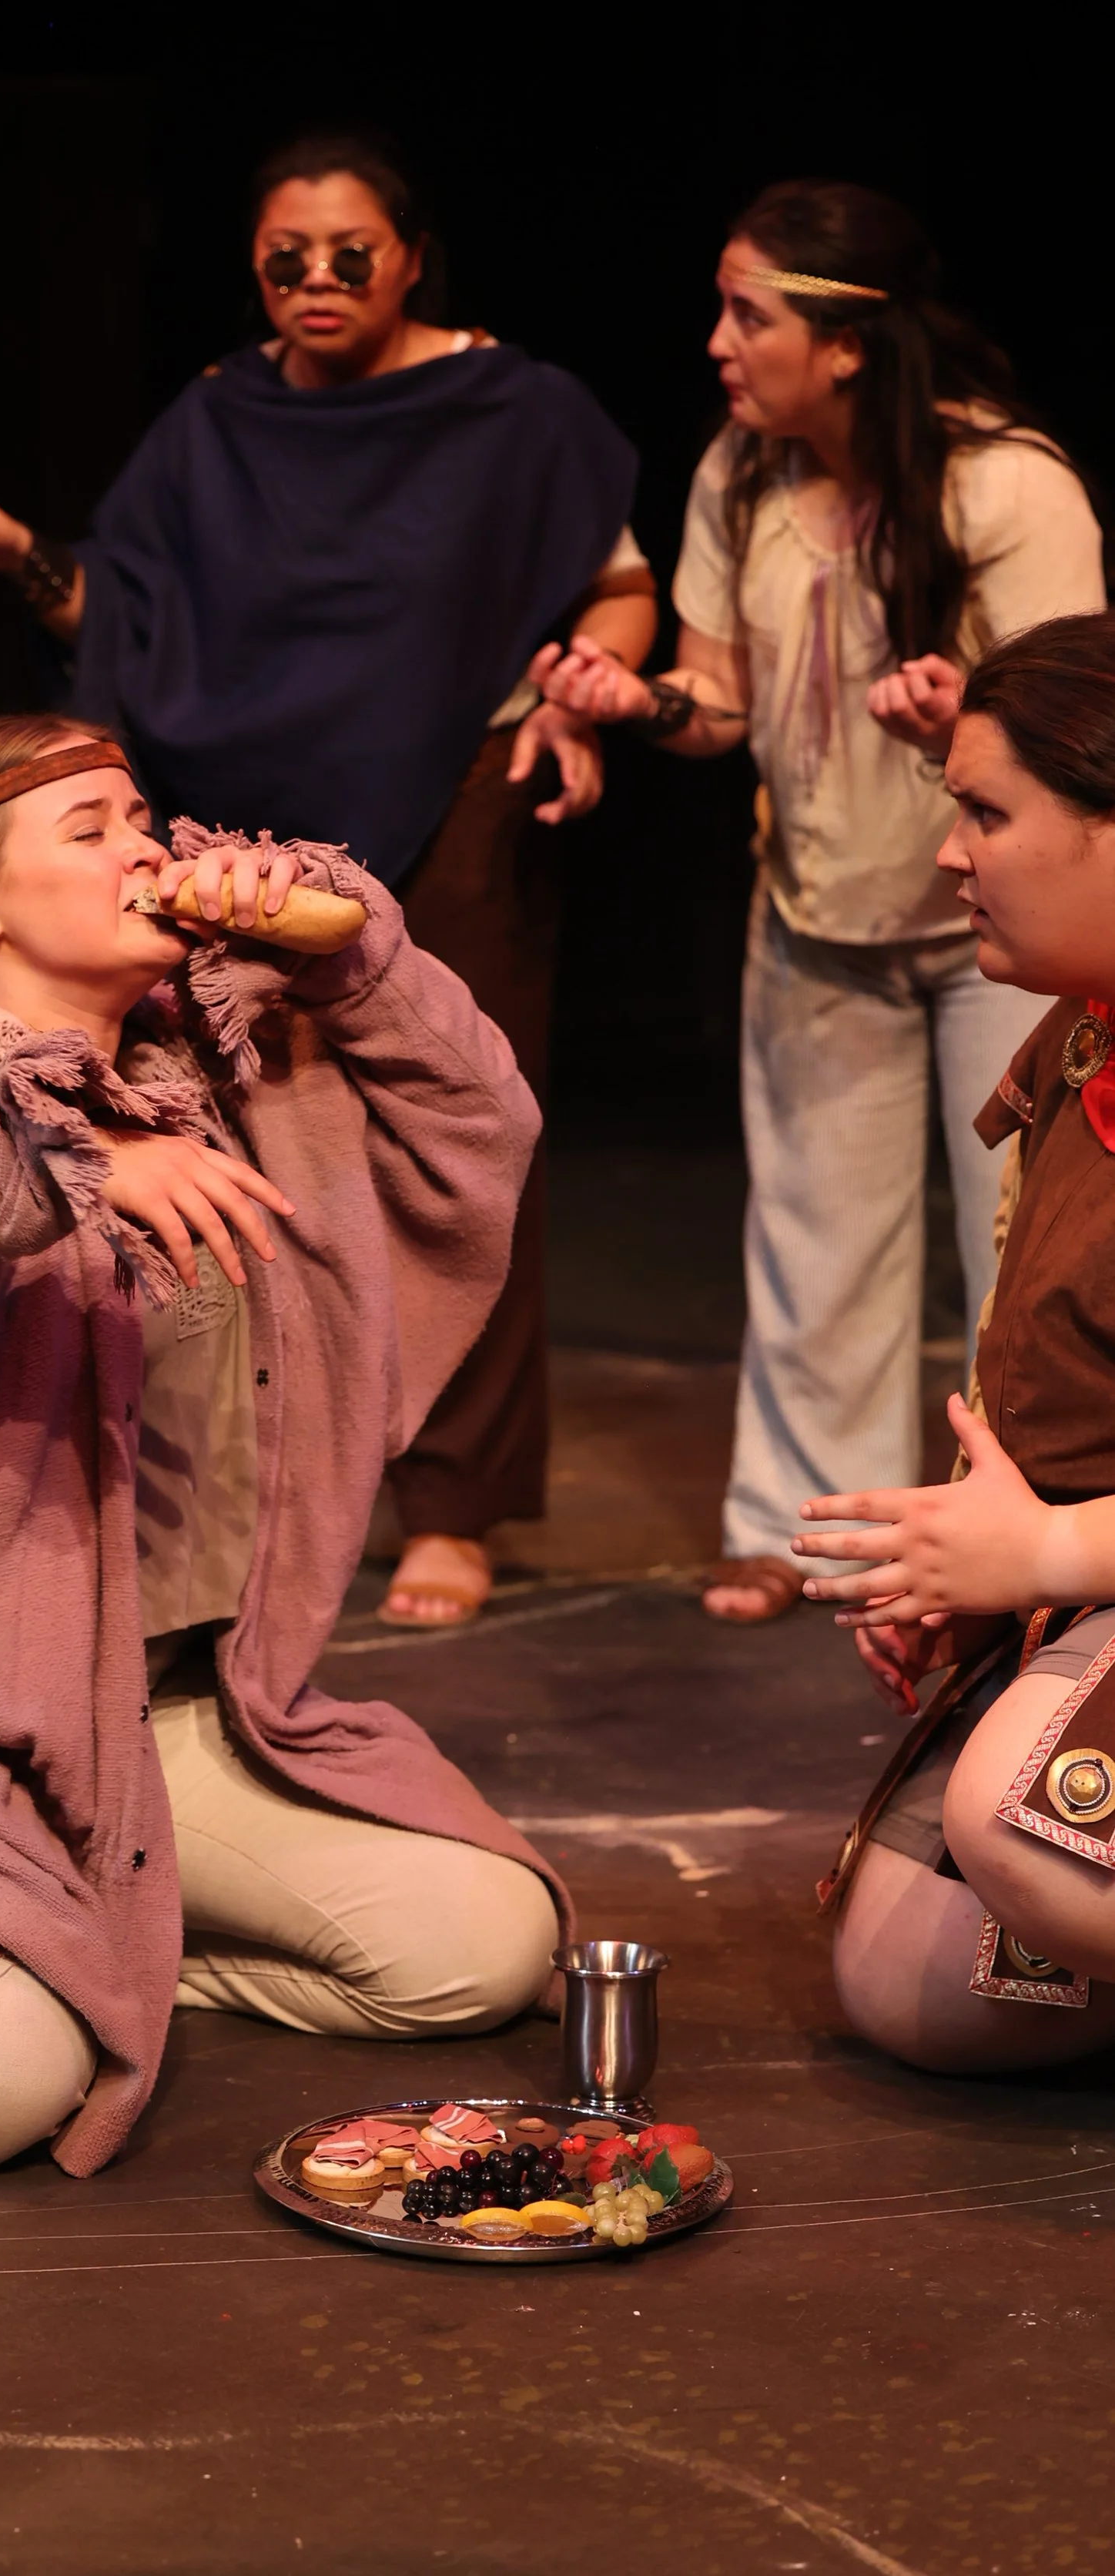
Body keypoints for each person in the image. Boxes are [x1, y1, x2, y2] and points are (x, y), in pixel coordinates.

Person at [0, 718, 568, 2176]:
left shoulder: (221, 1073)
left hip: (155, 1726)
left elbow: (481, 1119)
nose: (143, 847)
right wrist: (63, 1156)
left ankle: (99, 1961)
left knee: (481, 1949)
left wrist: (355, 958)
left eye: (142, 815)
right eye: (85, 829)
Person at [0, 131, 653, 1631]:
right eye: (282, 259)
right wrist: (10, 557)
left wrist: (586, 690)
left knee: (460, 1145)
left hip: (454, 797)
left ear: (409, 256)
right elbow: (117, 598)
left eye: (348, 255)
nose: (315, 281)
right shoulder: (218, 416)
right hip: (237, 830)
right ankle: (265, 1478)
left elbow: (619, 587)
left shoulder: (513, 412)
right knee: (254, 1146)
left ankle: (453, 1503)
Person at [534, 181, 1103, 1625]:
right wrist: (638, 697)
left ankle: (1024, 1525)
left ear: (846, 342)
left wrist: (952, 726)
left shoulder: (1008, 485)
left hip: (1002, 934)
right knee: (813, 1236)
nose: (721, 343)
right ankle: (818, 1531)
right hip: (818, 905)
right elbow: (717, 701)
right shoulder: (742, 470)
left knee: (1023, 1241)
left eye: (751, 312)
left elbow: (1076, 732)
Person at [790, 615, 1115, 2065]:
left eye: (989, 812)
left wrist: (1048, 1557)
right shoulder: (1083, 1031)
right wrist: (980, 1568)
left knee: (1026, 1825)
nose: (950, 852)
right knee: (920, 1976)